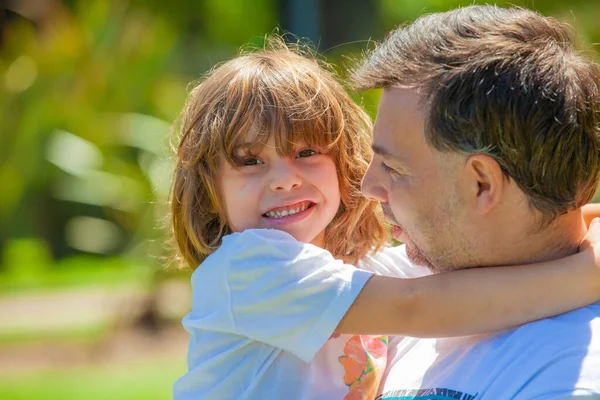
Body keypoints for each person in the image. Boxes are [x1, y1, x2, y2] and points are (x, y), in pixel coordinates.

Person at [170, 37, 600, 400]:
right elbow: (418, 306)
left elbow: (501, 243)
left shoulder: (355, 270)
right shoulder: (248, 270)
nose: (284, 179)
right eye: (250, 161)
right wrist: (588, 275)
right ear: (209, 186)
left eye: (306, 153)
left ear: (341, 161)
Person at [349, 5, 600, 399]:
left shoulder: (570, 380)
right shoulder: (411, 291)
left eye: (393, 167)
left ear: (482, 183)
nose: (369, 186)